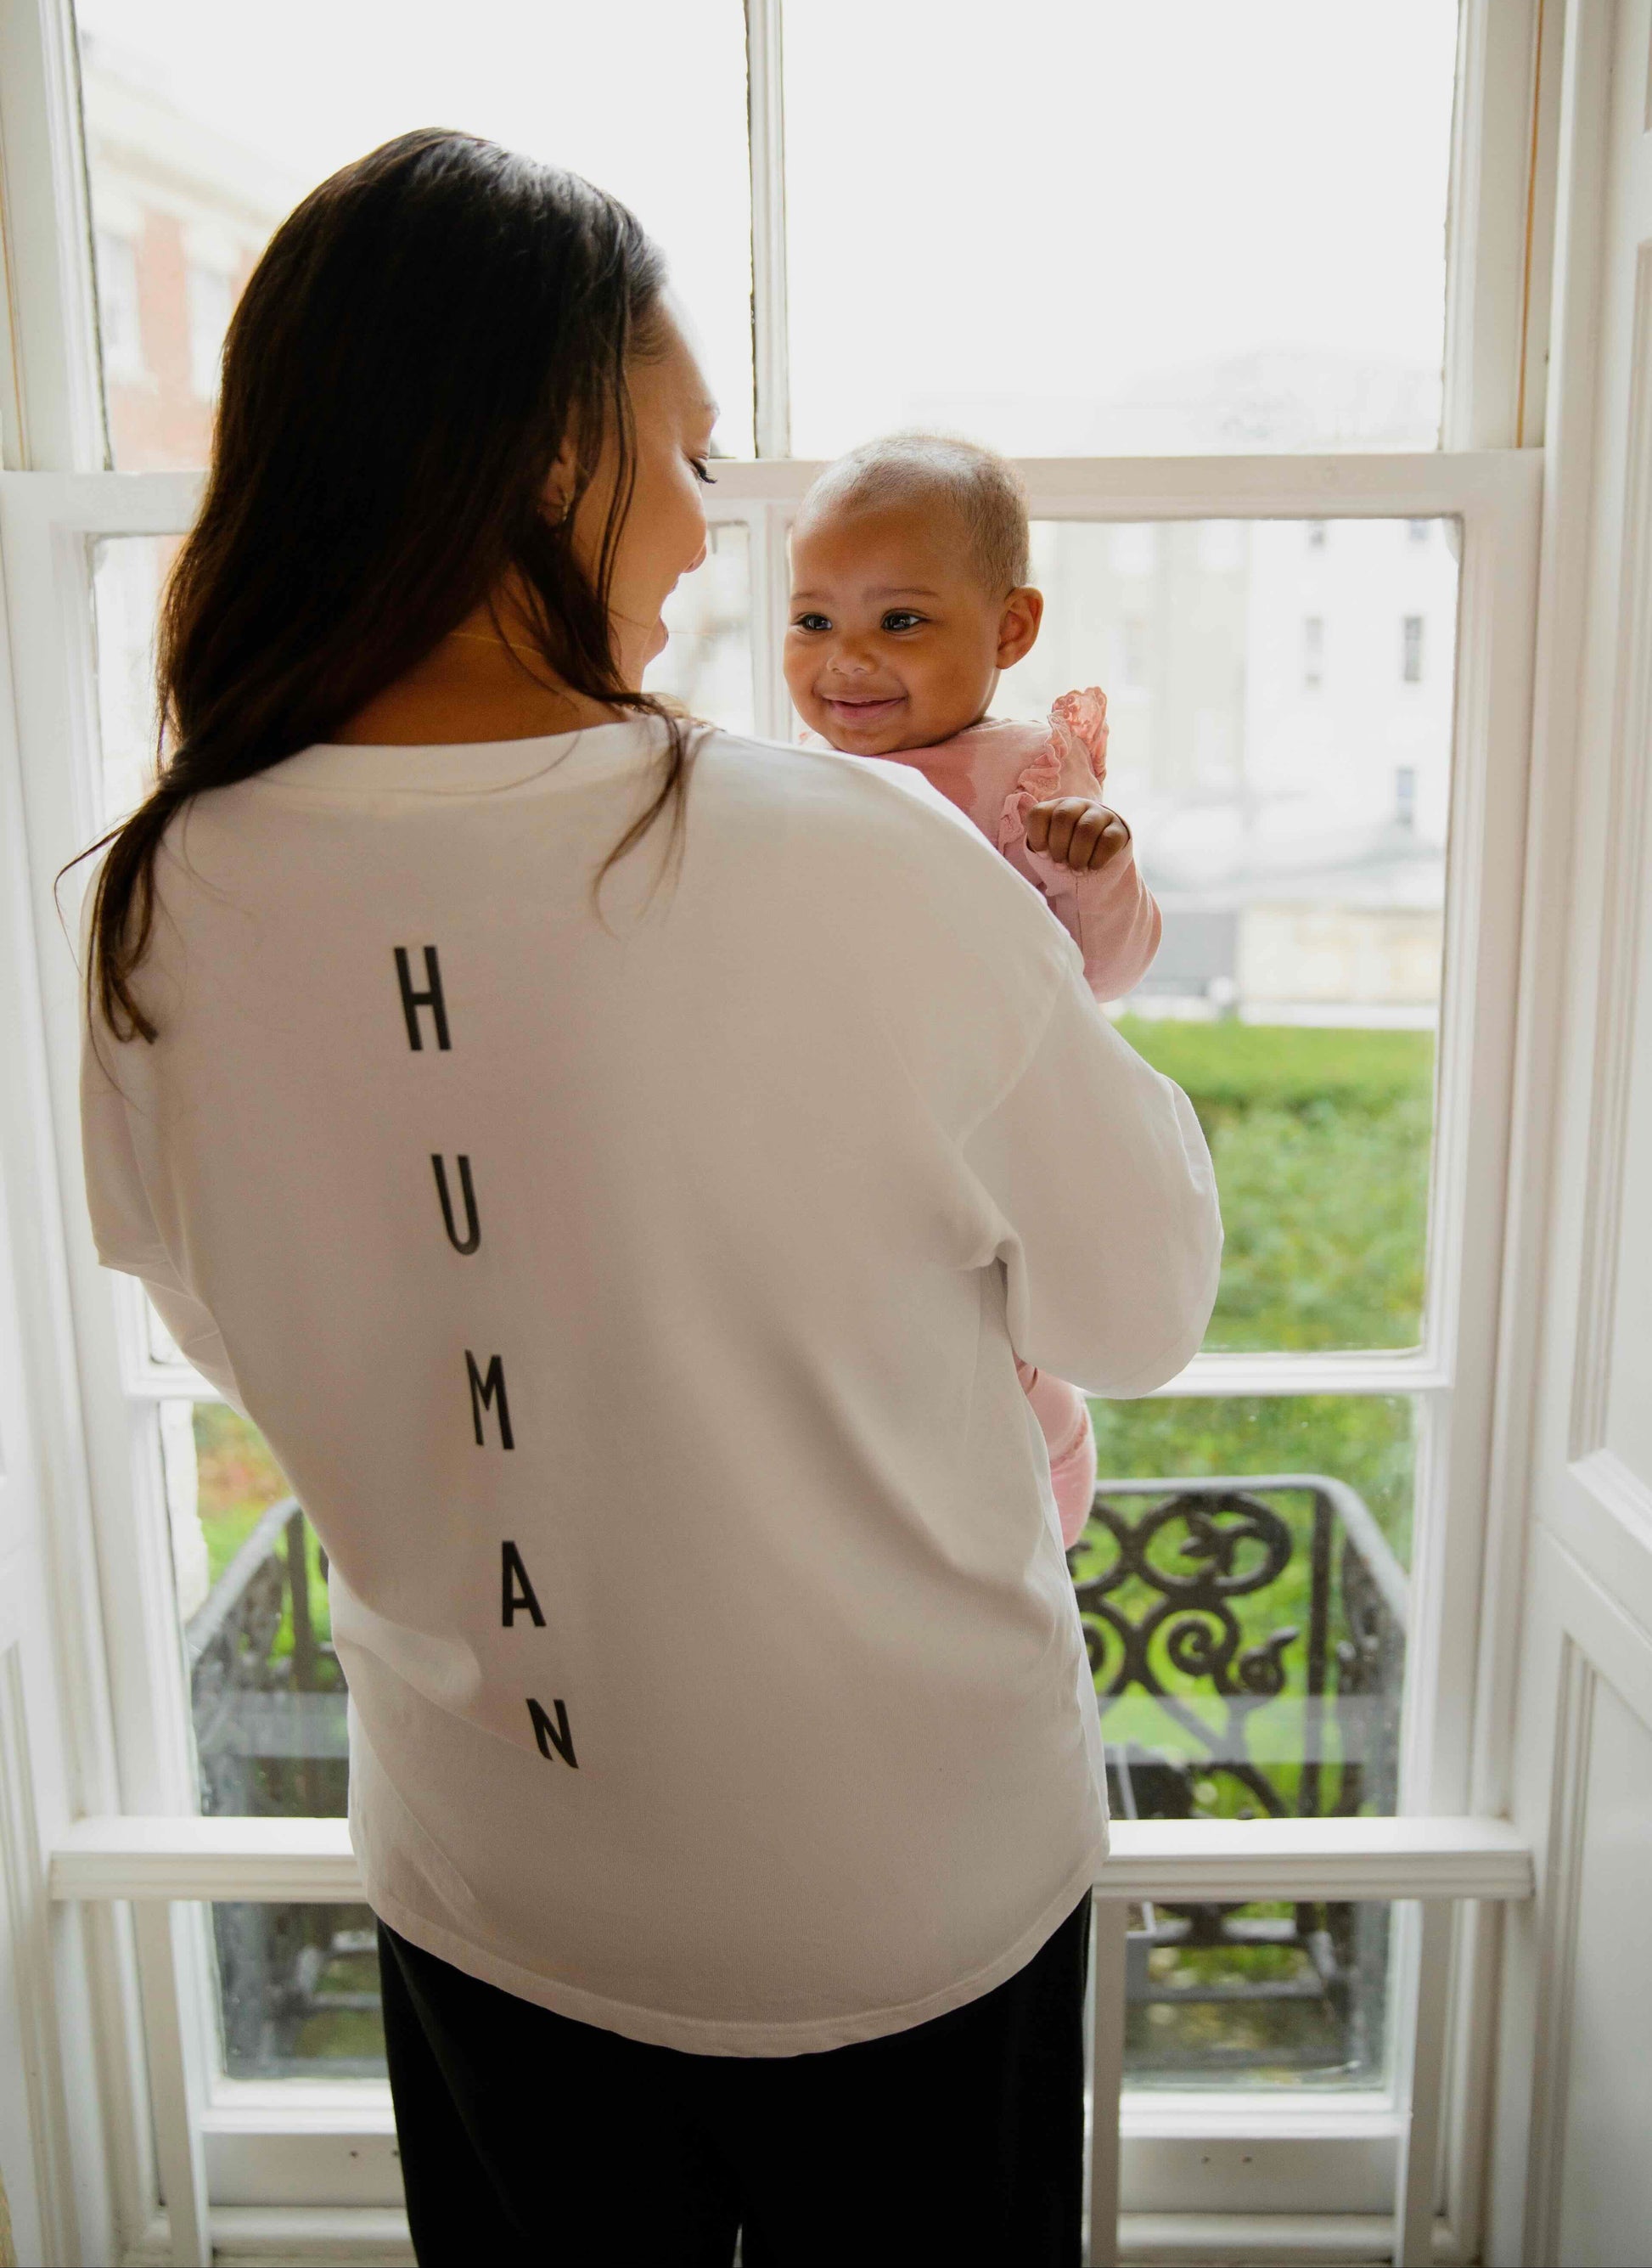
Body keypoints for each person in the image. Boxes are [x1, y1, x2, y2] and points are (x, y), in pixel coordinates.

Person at [76, 130, 1221, 2266]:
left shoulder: (154, 907)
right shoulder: (867, 861)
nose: (709, 531)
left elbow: (253, 1339)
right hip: (906, 1890)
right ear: (545, 459)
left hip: (495, 1880)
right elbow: (1141, 1302)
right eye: (686, 454)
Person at [786, 435, 1163, 1549]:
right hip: (839, 1115)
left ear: (1009, 630)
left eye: (899, 621)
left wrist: (1092, 869)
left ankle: (1044, 1484)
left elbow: (1108, 971)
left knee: (988, 1325)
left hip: (978, 1114)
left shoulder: (1020, 777)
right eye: (814, 621)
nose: (847, 660)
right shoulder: (789, 778)